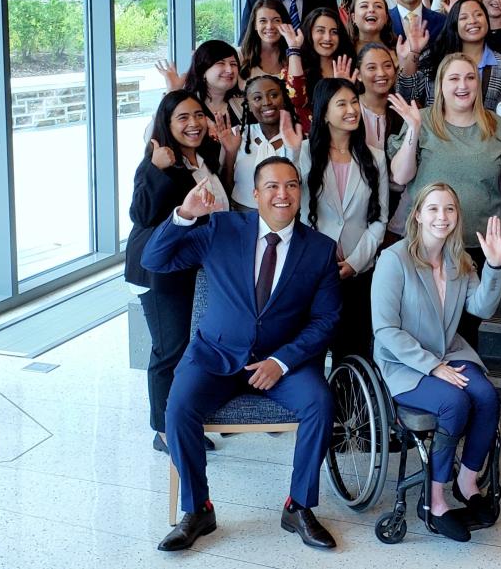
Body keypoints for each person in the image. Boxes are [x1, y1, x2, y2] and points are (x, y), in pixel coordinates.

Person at [143, 156, 341, 551]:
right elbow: (154, 259)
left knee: (320, 402)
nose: (282, 194)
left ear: (300, 192)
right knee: (178, 406)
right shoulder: (222, 228)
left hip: (281, 363)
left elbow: (326, 319)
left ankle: (298, 506)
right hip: (215, 355)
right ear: (255, 194)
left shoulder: (320, 250)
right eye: (271, 186)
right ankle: (198, 509)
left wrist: (281, 361)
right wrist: (184, 214)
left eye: (291, 185)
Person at [372, 182, 501, 541]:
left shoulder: (459, 260)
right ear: (417, 215)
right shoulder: (394, 259)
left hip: (448, 352)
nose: (441, 217)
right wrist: (432, 366)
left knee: (488, 396)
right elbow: (385, 329)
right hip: (404, 362)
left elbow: (480, 308)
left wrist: (494, 264)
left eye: (449, 209)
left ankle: (467, 480)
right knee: (454, 402)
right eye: (433, 208)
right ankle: (434, 500)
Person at [388, 56, 501, 344]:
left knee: (465, 333)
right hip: (424, 247)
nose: (463, 85)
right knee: (419, 327)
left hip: (475, 248)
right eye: (454, 78)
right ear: (441, 85)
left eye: (470, 78)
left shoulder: (498, 127)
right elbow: (400, 176)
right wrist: (412, 130)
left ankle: (463, 382)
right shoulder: (421, 119)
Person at [126, 91, 229, 455]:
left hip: (194, 269)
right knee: (168, 350)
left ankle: (182, 421)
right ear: (166, 125)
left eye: (198, 115)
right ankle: (165, 431)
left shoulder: (205, 157)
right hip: (159, 271)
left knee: (188, 349)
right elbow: (141, 215)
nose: (193, 123)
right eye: (182, 118)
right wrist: (156, 168)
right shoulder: (157, 161)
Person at [278, 79, 387, 364]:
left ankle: (348, 407)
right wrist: (292, 152)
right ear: (324, 113)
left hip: (358, 270)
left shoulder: (375, 157)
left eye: (354, 103)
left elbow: (379, 220)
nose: (352, 110)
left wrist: (354, 262)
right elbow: (285, 199)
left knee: (353, 351)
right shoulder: (301, 151)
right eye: (342, 104)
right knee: (307, 349)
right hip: (311, 268)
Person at [400, 0, 501, 110]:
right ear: (454, 24)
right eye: (463, 17)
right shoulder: (434, 57)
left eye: (478, 15)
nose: (472, 21)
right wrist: (414, 51)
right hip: (435, 129)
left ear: (487, 20)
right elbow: (406, 96)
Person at [228, 75, 299, 211]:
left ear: (283, 98)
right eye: (257, 98)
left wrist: (294, 150)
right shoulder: (237, 135)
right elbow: (225, 183)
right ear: (248, 105)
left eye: (273, 95)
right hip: (242, 215)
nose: (266, 102)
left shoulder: (298, 137)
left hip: (286, 215)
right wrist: (230, 153)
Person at [238, 0, 310, 126]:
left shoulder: (294, 57)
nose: (270, 26)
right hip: (248, 131)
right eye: (263, 21)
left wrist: (293, 48)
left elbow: (298, 99)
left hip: (289, 129)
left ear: (285, 24)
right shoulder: (239, 56)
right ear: (255, 25)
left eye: (276, 20)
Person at [355, 42, 407, 218]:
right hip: (355, 199)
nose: (381, 73)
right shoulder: (351, 109)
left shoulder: (403, 111)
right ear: (359, 75)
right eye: (371, 67)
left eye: (387, 66)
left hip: (395, 202)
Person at [292, 6, 356, 100]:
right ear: (309, 33)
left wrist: (345, 87)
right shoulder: (297, 67)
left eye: (334, 32)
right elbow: (296, 101)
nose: (327, 38)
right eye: (320, 31)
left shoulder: (351, 67)